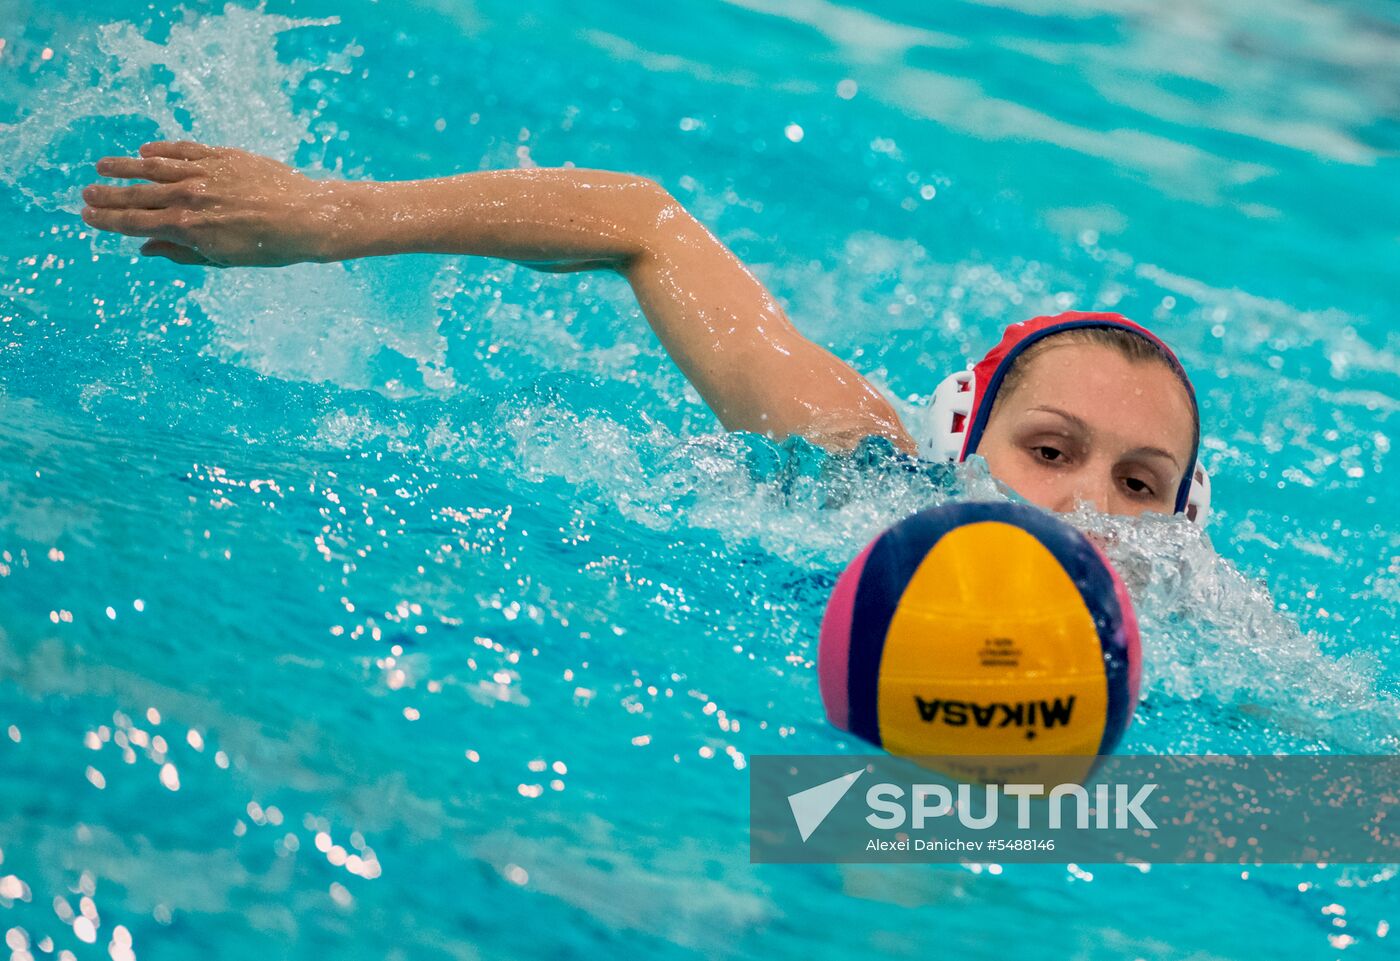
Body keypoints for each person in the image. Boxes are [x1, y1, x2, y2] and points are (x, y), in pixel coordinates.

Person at [81, 141, 1208, 522]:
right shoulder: (867, 475)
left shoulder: (1217, 632)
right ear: (961, 446)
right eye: (1049, 453)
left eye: (1140, 484)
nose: (1086, 510)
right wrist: (328, 216)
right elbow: (642, 222)